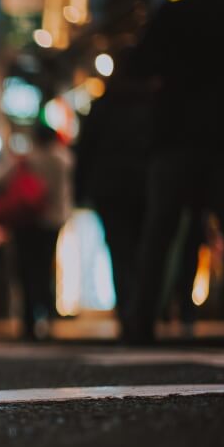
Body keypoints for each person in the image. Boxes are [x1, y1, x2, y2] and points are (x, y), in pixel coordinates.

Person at [128, 0, 224, 343]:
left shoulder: (173, 13)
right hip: (222, 137)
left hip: (175, 136)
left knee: (159, 233)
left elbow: (137, 65)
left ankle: (141, 323)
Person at [73, 47, 153, 333]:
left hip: (109, 187)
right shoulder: (151, 105)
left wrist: (80, 189)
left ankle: (129, 312)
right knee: (144, 247)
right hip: (144, 184)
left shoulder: (103, 106)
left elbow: (85, 151)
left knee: (119, 250)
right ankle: (145, 311)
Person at [12, 125, 73, 340]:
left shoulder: (31, 159)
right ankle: (48, 316)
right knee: (46, 268)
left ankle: (29, 321)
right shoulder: (64, 159)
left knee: (27, 271)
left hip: (28, 218)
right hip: (53, 220)